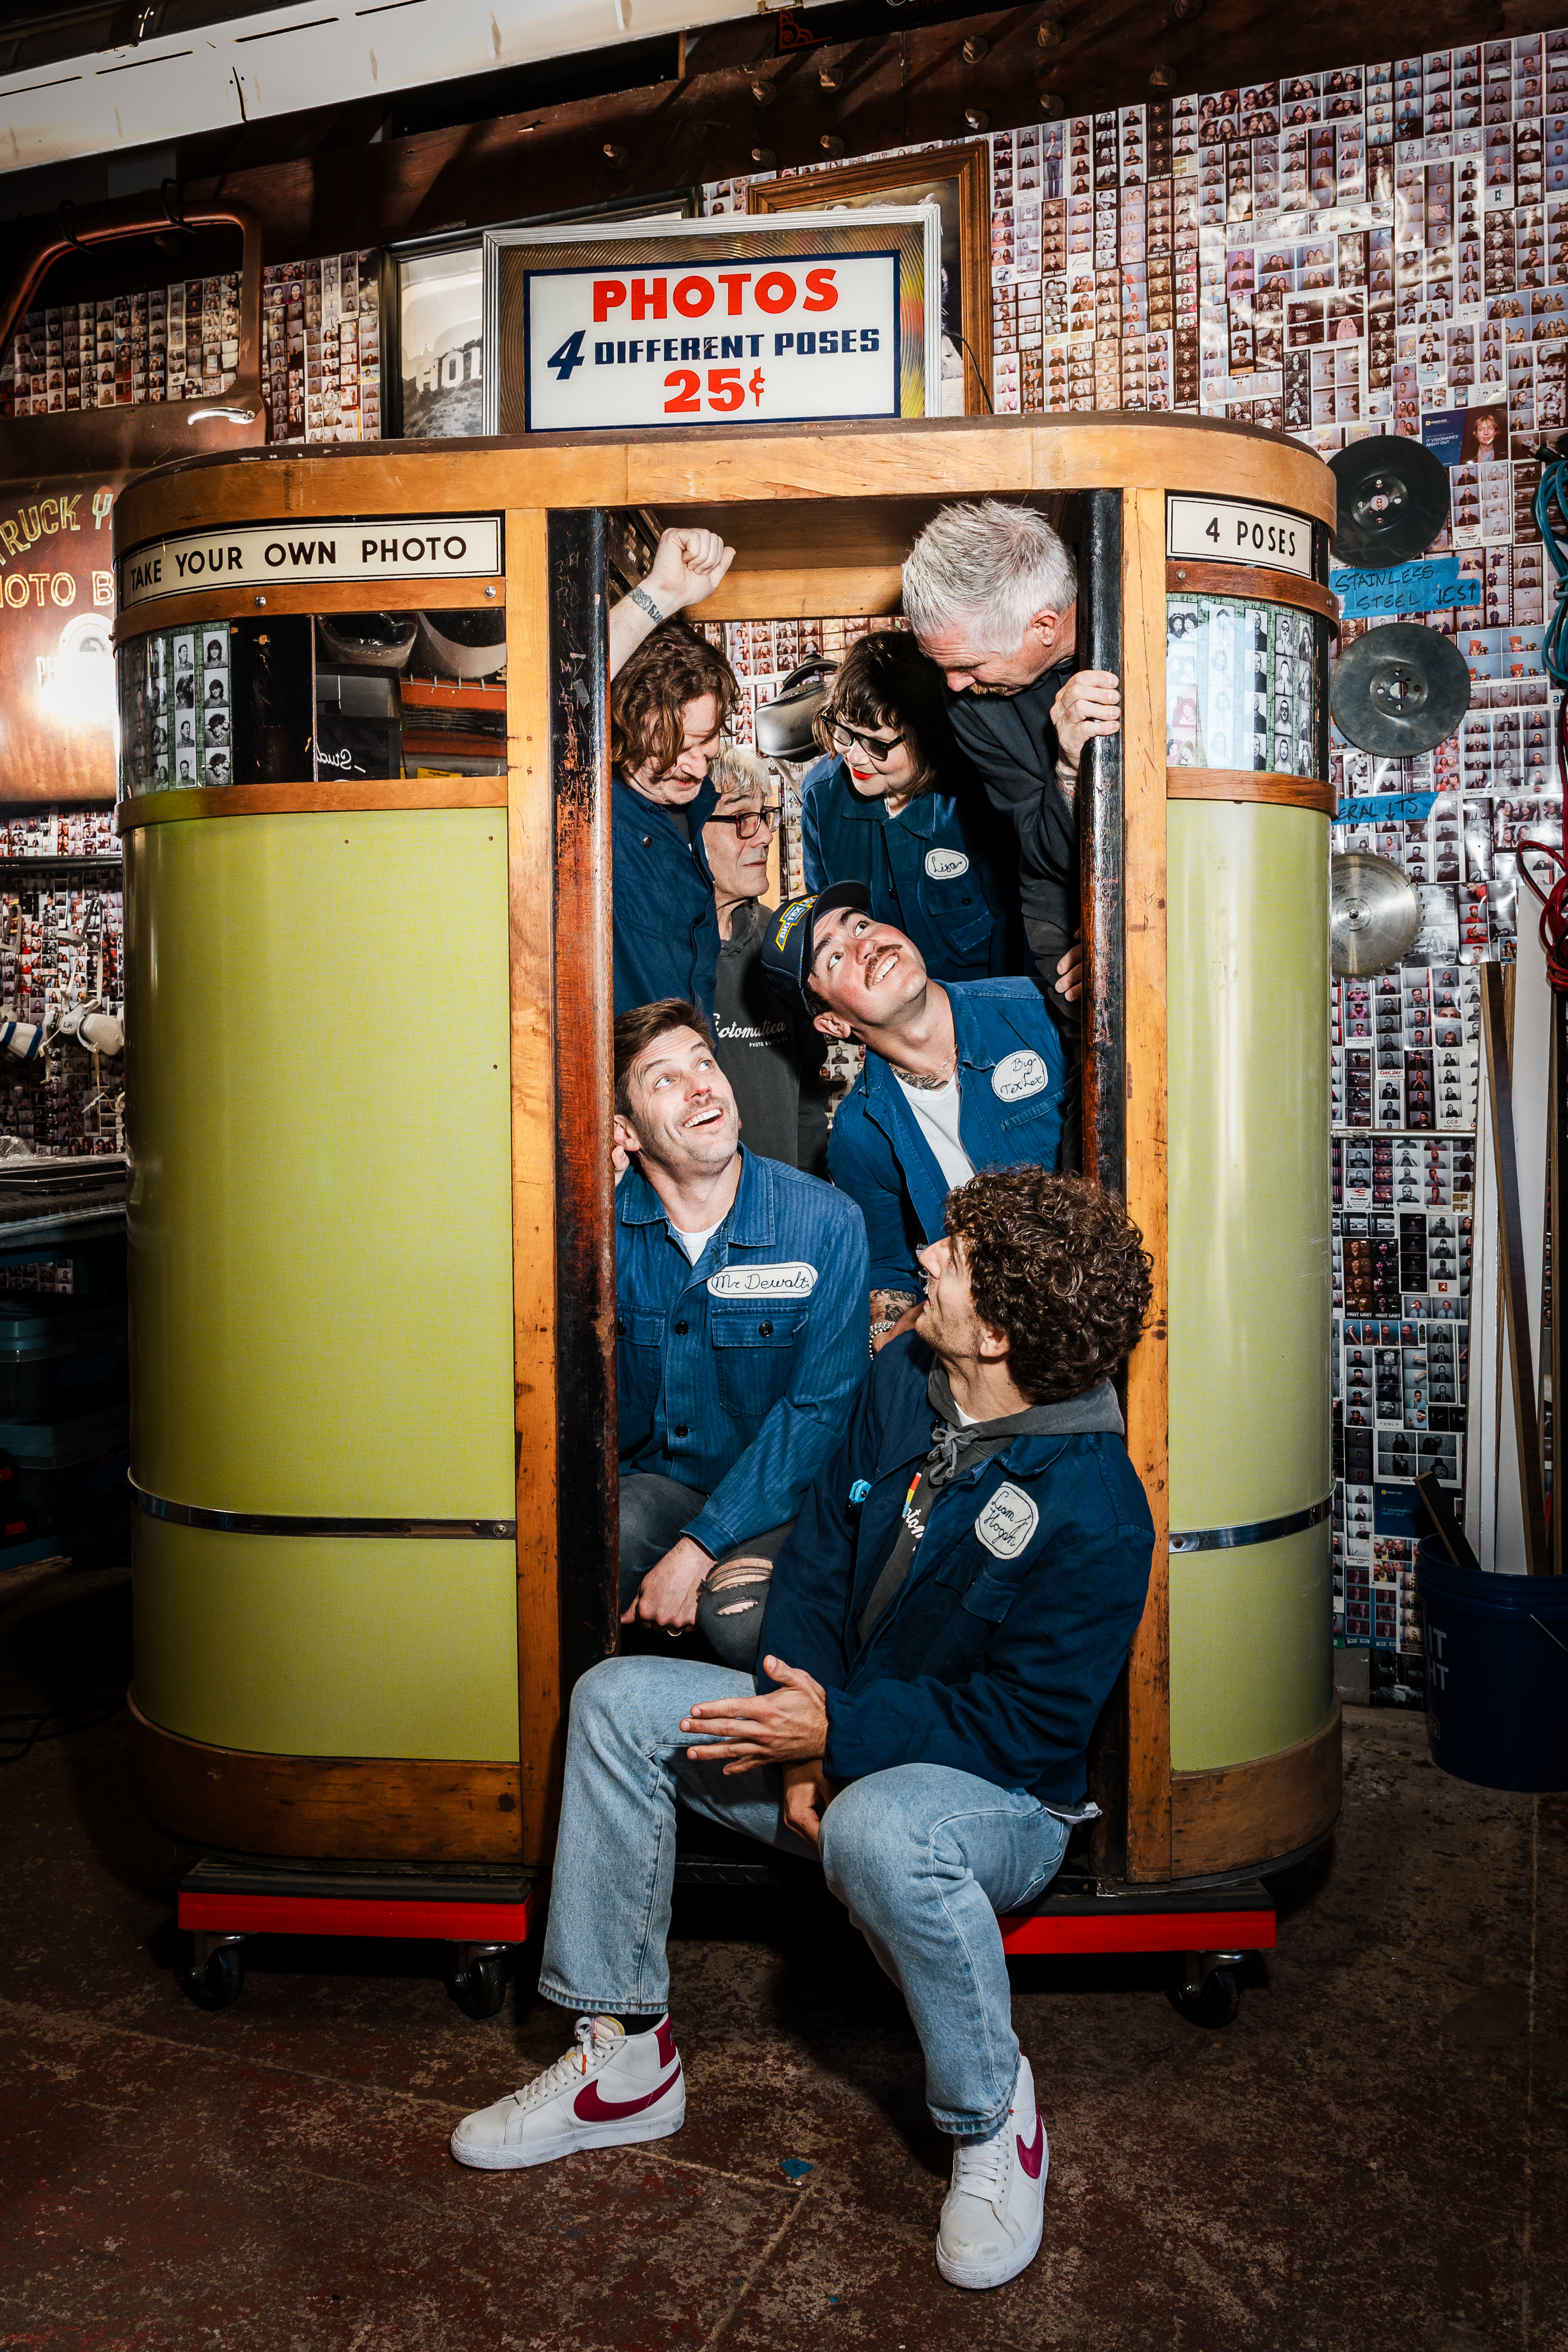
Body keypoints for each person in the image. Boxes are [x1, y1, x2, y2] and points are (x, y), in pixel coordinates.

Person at [451, 1166, 1156, 2297]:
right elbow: (818, 1557)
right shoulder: (904, 1379)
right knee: (616, 1702)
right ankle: (622, 2057)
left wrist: (832, 1741)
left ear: (1008, 1328)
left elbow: (1026, 1726)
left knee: (880, 1827)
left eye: (956, 1258)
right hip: (826, 1735)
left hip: (993, 1803)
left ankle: (990, 2122)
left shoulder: (1097, 1506)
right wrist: (799, 1715)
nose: (924, 1258)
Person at [612, 998, 869, 1637]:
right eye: (664, 1079)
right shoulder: (601, 1230)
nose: (701, 1084)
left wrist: (700, 1547)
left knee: (736, 1621)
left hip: (786, 1499)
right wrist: (582, 1213)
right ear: (627, 1131)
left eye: (704, 1063)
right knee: (599, 1532)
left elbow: (818, 1414)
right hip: (664, 1490)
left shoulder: (826, 1221)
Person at [760, 884, 1072, 1347]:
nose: (866, 946)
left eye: (860, 924)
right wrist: (889, 1336)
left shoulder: (1039, 1015)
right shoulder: (858, 1131)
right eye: (835, 958)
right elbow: (888, 1268)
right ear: (833, 1025)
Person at [900, 501, 1121, 1028]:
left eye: (968, 664)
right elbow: (1040, 850)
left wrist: (1123, 925)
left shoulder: (1144, 600)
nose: (953, 684)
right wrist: (1070, 766)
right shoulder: (969, 703)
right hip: (1067, 914)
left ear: (1043, 625)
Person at [799, 630, 1023, 984]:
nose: (853, 756)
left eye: (877, 743)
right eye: (843, 731)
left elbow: (1015, 933)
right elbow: (827, 925)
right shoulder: (820, 797)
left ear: (927, 736)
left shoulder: (979, 796)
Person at [607, 527, 738, 1017]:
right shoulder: (600, 813)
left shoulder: (694, 812)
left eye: (706, 741)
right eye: (672, 748)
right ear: (621, 730)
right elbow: (560, 691)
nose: (694, 764)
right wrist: (661, 593)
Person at [703, 746, 831, 1174]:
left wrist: (811, 1193)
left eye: (764, 816)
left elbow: (809, 1094)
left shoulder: (781, 944)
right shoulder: (655, 956)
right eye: (742, 818)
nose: (763, 835)